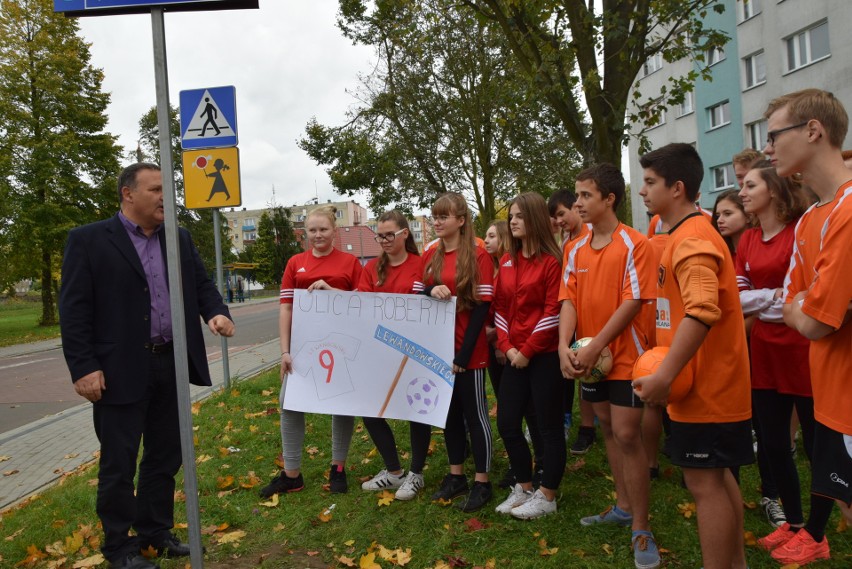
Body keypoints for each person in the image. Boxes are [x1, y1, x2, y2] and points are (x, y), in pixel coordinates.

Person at [59, 163, 235, 569]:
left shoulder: (179, 238)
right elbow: (74, 310)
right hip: (118, 370)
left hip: (170, 364)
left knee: (165, 456)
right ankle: (119, 547)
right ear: (128, 194)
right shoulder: (88, 241)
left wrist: (216, 312)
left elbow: (201, 285)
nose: (165, 198)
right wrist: (83, 366)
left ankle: (155, 532)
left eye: (167, 189)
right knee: (118, 463)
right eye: (156, 190)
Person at [634, 143, 752, 569]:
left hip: (709, 389)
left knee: (704, 485)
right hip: (702, 388)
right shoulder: (679, 236)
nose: (643, 191)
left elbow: (702, 311)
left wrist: (665, 374)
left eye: (650, 182)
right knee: (716, 479)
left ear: (677, 187)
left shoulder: (693, 240)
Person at [558, 164, 659, 569]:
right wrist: (565, 346)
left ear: (609, 199)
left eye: (585, 196)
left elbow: (632, 301)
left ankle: (641, 525)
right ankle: (621, 506)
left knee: (626, 433)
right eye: (577, 195)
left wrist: (597, 345)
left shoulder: (635, 244)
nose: (577, 202)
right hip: (589, 359)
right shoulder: (574, 248)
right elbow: (567, 298)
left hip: (626, 358)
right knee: (607, 430)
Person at [773, 89, 852, 565]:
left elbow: (818, 321)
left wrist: (812, 307)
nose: (768, 148)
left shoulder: (848, 210)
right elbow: (793, 304)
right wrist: (812, 306)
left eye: (775, 135)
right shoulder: (809, 221)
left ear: (813, 131)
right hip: (830, 395)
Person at [736, 162, 816, 548]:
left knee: (817, 447)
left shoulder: (799, 231)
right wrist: (774, 300)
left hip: (802, 349)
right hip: (765, 349)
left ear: (774, 190)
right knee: (772, 443)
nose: (742, 192)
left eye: (750, 185)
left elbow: (800, 296)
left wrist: (764, 300)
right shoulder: (748, 239)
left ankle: (816, 532)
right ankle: (794, 523)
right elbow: (737, 297)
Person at [261, 206, 363, 498]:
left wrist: (333, 291)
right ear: (305, 233)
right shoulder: (296, 263)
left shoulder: (349, 262)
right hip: (302, 349)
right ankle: (292, 474)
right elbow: (286, 308)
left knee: (340, 405)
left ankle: (338, 468)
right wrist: (284, 351)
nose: (318, 235)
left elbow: (363, 303)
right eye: (312, 230)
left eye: (324, 229)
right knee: (289, 402)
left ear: (335, 231)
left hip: (340, 347)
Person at [493, 193, 565, 519]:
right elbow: (500, 309)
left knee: (548, 428)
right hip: (513, 354)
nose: (513, 221)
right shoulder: (507, 261)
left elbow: (553, 312)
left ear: (534, 218)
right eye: (511, 216)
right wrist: (508, 348)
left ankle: (547, 494)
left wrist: (527, 350)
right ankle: (523, 487)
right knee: (508, 423)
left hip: (544, 356)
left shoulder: (552, 262)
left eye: (519, 216)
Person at [423, 192, 495, 512]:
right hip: (438, 352)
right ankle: (456, 476)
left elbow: (482, 308)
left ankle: (482, 482)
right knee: (448, 416)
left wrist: (464, 356)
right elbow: (416, 295)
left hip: (469, 353)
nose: (437, 222)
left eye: (444, 216)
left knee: (475, 416)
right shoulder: (431, 256)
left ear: (461, 221)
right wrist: (429, 289)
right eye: (434, 216)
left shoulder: (478, 255)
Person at [357, 211, 431, 501]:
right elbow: (362, 305)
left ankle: (416, 474)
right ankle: (393, 471)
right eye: (380, 236)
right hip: (380, 353)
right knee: (371, 412)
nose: (385, 240)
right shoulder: (372, 268)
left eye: (390, 234)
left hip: (415, 352)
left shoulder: (422, 265)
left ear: (404, 234)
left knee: (416, 410)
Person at [484, 220, 544, 490]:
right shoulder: (494, 266)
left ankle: (539, 464)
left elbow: (513, 308)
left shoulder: (516, 266)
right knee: (508, 410)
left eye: (492, 235)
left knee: (529, 410)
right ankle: (519, 467)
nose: (486, 240)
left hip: (516, 348)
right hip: (502, 346)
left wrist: (500, 344)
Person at [547, 189, 597, 454]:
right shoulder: (568, 242)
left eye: (562, 214)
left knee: (596, 369)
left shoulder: (593, 235)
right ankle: (587, 427)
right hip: (576, 314)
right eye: (556, 218)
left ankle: (598, 423)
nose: (559, 221)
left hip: (598, 315)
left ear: (575, 208)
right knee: (581, 369)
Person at [711, 190, 749, 262]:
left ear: (748, 216)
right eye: (718, 216)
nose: (719, 220)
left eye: (727, 214)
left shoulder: (760, 250)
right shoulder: (717, 254)